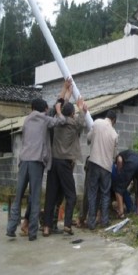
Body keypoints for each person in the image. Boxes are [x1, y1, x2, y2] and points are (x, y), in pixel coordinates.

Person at [6, 83, 67, 241]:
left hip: (23, 161)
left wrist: (65, 91)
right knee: (35, 197)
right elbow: (60, 120)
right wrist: (59, 111)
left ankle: (11, 228)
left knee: (18, 197)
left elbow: (59, 101)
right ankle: (32, 232)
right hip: (36, 163)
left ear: (32, 108)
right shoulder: (45, 120)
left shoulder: (26, 120)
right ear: (44, 109)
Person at [43, 91, 90, 237]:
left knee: (50, 195)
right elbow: (82, 124)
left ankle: (46, 227)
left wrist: (63, 100)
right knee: (71, 195)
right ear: (71, 114)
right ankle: (67, 225)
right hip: (65, 164)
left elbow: (59, 115)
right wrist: (82, 109)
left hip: (53, 162)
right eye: (74, 113)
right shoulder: (72, 123)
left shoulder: (56, 122)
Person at [86, 110, 118, 230]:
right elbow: (114, 155)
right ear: (114, 120)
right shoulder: (114, 134)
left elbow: (88, 139)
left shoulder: (97, 123)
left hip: (94, 163)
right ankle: (104, 221)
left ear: (107, 117)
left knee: (92, 192)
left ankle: (91, 222)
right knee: (105, 194)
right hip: (106, 167)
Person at [113, 150, 138, 217]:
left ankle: (121, 212)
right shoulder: (132, 153)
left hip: (132, 164)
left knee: (118, 189)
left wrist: (119, 171)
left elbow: (119, 160)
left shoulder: (120, 154)